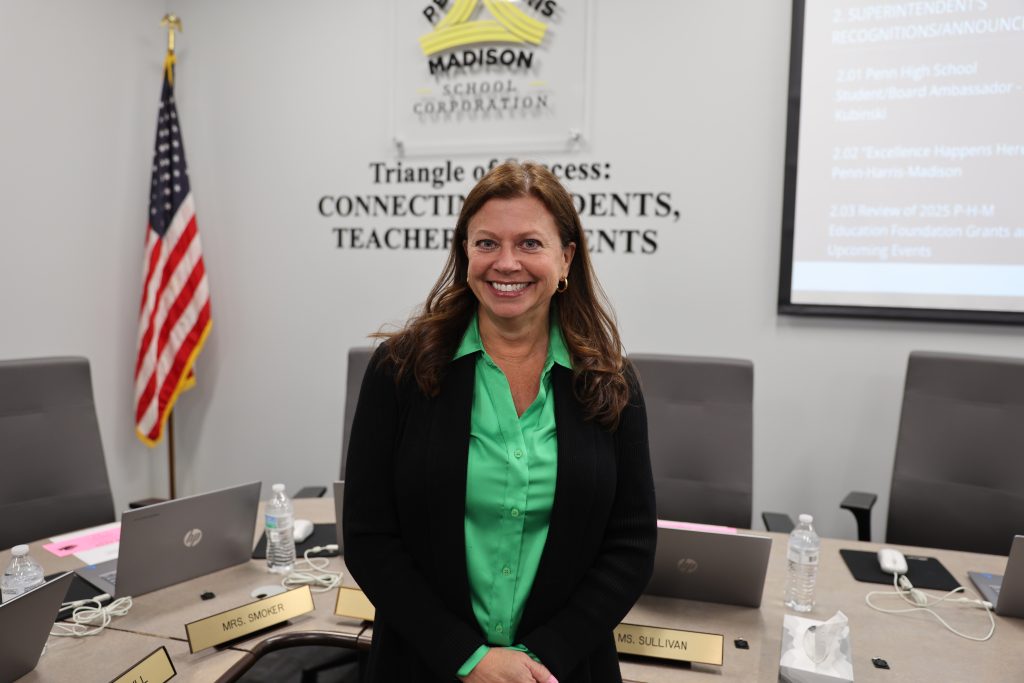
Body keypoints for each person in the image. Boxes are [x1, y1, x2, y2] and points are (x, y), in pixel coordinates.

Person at [343, 161, 657, 683]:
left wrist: (542, 659)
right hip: (422, 667)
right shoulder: (398, 371)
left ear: (566, 258)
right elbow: (369, 538)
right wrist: (467, 658)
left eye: (530, 243)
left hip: (562, 672)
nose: (506, 263)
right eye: (487, 243)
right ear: (465, 252)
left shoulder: (610, 381)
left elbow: (631, 547)